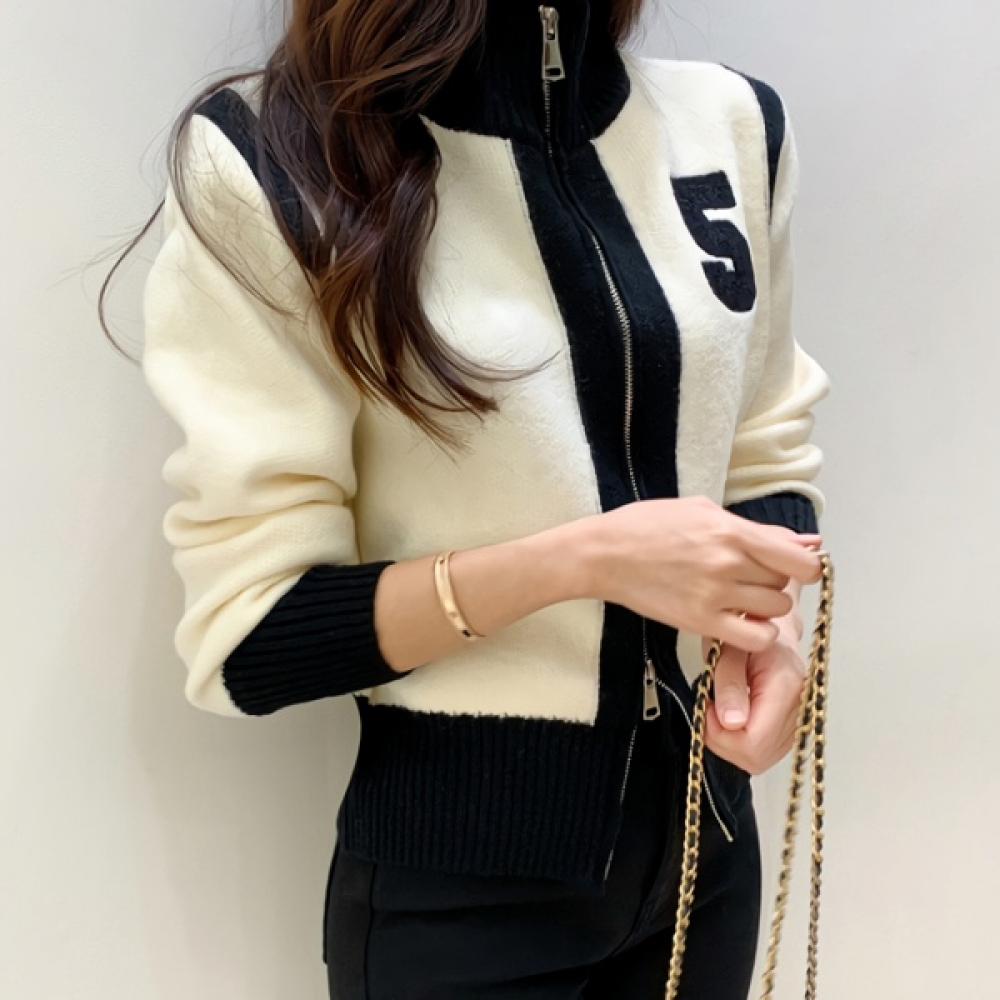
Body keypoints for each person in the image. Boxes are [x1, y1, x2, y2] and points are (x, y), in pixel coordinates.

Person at [118, 0, 832, 994]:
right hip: (464, 904)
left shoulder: (735, 127)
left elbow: (760, 440)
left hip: (705, 860)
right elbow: (253, 630)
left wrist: (773, 635)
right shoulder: (271, 159)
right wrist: (579, 561)